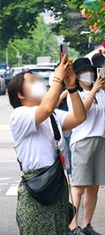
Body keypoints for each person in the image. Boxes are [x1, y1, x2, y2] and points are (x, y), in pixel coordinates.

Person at [8, 54, 87, 234]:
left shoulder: (52, 116)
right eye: (33, 81)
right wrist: (59, 77)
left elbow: (79, 117)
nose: (40, 83)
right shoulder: (19, 115)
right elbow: (46, 108)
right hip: (36, 192)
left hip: (56, 187)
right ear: (20, 95)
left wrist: (72, 87)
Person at [68, 58, 105, 235]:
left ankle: (86, 225)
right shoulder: (76, 94)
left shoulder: (102, 93)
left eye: (89, 70)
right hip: (82, 141)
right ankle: (73, 227)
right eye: (82, 71)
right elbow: (81, 112)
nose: (87, 74)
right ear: (76, 76)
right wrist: (94, 90)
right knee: (79, 186)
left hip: (101, 140)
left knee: (94, 186)